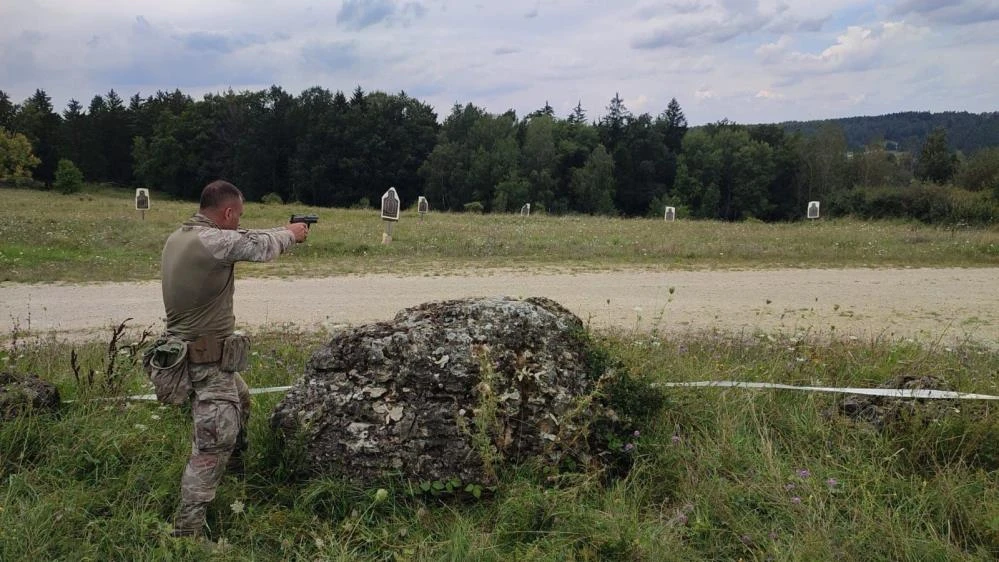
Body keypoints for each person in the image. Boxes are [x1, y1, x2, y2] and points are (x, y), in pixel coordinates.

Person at [159, 180, 309, 538]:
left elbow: (245, 236)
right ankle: (186, 533)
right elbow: (259, 246)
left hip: (196, 356)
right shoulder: (214, 241)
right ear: (227, 213)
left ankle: (236, 476)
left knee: (241, 402)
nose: (240, 222)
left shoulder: (182, 236)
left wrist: (282, 229)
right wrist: (291, 234)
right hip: (205, 361)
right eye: (238, 216)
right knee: (211, 445)